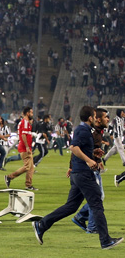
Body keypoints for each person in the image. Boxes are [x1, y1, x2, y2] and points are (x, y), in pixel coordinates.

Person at [32, 106, 123, 250]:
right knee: (97, 204)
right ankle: (105, 240)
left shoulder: (86, 130)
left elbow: (80, 148)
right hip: (83, 174)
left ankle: (41, 225)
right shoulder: (83, 130)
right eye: (94, 115)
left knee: (71, 206)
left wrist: (94, 153)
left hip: (78, 173)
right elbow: (74, 147)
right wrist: (89, 160)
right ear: (91, 117)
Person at [72, 108, 109, 234]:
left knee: (93, 198)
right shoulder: (89, 131)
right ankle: (91, 226)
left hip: (91, 167)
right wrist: (71, 166)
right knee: (97, 197)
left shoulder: (98, 131)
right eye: (105, 117)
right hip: (86, 169)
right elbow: (76, 148)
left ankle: (81, 217)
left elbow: (88, 149)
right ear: (96, 119)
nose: (108, 119)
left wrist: (96, 156)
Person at [5, 107, 37, 190]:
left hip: (26, 146)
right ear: (27, 113)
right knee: (27, 167)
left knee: (31, 168)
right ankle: (9, 177)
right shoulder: (25, 122)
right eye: (31, 113)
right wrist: (27, 146)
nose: (32, 114)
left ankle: (28, 185)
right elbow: (23, 135)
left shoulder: (25, 122)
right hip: (24, 147)